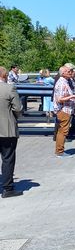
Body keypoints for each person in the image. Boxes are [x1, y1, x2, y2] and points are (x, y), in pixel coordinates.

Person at [0, 66, 23, 198]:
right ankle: (7, 188)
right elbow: (18, 108)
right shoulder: (9, 88)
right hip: (6, 129)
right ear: (5, 76)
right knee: (8, 158)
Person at [53, 63, 75, 158]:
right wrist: (72, 96)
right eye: (69, 71)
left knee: (62, 131)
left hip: (66, 110)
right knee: (63, 131)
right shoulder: (62, 83)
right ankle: (60, 151)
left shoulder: (65, 81)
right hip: (64, 110)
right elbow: (59, 99)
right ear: (63, 73)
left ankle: (59, 150)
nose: (71, 72)